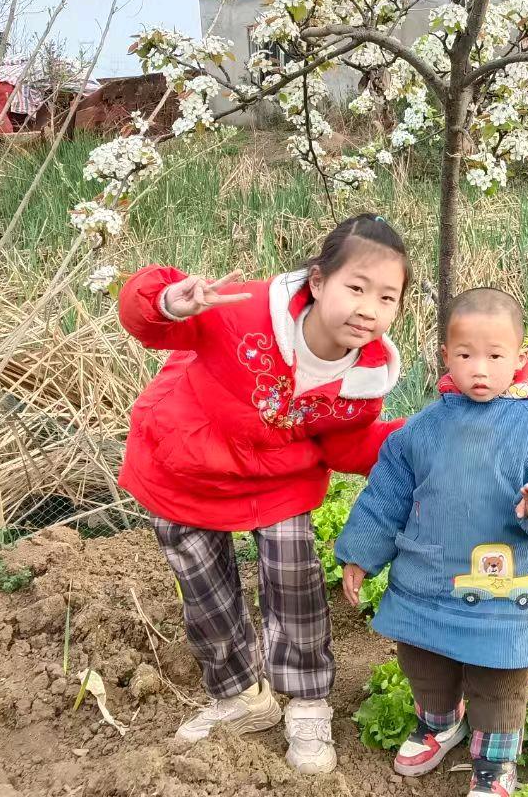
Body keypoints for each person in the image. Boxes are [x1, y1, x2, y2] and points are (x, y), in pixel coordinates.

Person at [117, 213, 410, 773]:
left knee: (294, 577)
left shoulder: (363, 382)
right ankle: (237, 698)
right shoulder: (243, 310)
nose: (369, 308)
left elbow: (341, 447)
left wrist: (416, 439)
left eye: (387, 297)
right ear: (318, 281)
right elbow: (152, 326)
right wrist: (169, 301)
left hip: (277, 479)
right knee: (205, 592)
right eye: (355, 287)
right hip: (185, 466)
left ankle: (306, 701)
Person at [336, 288, 528, 796]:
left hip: (509, 578)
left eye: (495, 356)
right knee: (423, 658)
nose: (479, 369)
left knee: (499, 672)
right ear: (445, 356)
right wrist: (360, 553)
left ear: (520, 357)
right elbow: (386, 494)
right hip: (427, 577)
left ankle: (495, 760)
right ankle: (439, 721)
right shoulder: (422, 429)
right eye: (464, 355)